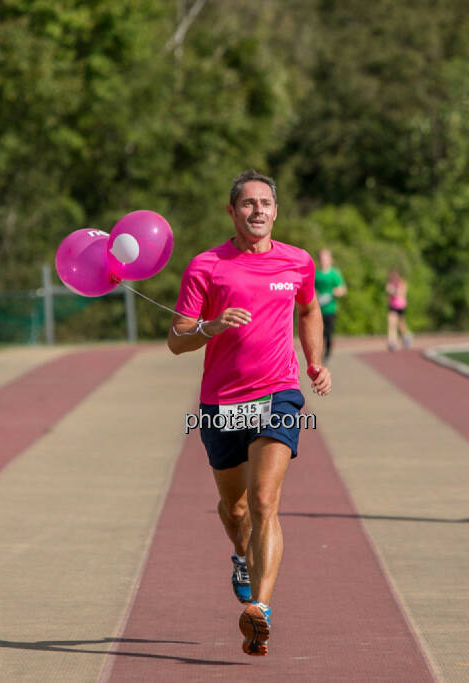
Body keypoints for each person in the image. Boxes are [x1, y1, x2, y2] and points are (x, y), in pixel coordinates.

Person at [168, 170, 331, 657]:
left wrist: (314, 361)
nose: (257, 210)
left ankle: (260, 609)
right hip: (221, 404)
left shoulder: (298, 262)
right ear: (232, 211)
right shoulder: (206, 266)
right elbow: (177, 340)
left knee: (264, 503)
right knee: (235, 509)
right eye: (247, 204)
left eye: (265, 203)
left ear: (276, 211)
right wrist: (211, 326)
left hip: (278, 394)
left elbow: (309, 310)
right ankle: (241, 556)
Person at [313, 248, 347, 361]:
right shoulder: (316, 274)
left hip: (330, 309)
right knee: (317, 331)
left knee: (328, 332)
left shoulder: (334, 274)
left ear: (330, 260)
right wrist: (315, 296)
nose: (324, 261)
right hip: (317, 309)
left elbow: (342, 289)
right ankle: (318, 352)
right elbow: (310, 289)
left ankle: (327, 351)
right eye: (322, 259)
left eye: (326, 258)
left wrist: (332, 293)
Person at [385, 269, 413, 351]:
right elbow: (388, 293)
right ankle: (392, 342)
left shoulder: (402, 283)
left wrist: (394, 291)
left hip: (400, 306)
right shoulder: (390, 284)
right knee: (391, 324)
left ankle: (407, 335)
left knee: (401, 325)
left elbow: (401, 293)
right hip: (392, 307)